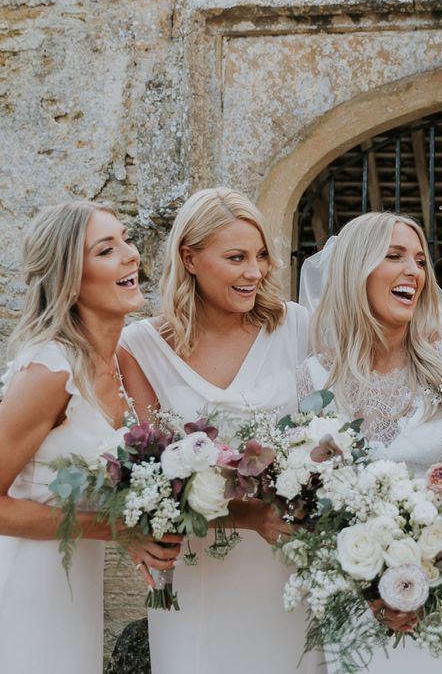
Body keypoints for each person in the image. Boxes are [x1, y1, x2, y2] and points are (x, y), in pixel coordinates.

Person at [118, 188, 313, 673]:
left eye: (261, 255)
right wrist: (248, 515)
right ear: (190, 257)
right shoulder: (139, 347)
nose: (256, 272)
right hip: (198, 568)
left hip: (287, 563)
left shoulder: (296, 327)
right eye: (237, 258)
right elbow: (148, 482)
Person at [298, 211, 442, 673]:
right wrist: (372, 585)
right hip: (356, 606)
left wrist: (434, 564)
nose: (414, 271)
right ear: (356, 270)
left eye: (420, 259)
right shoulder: (313, 377)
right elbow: (310, 503)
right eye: (394, 256)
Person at [0, 202, 179, 674]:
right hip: (22, 586)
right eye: (106, 249)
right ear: (70, 277)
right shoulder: (48, 371)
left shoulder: (122, 361)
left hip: (75, 584)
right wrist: (117, 530)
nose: (130, 255)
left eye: (126, 239)